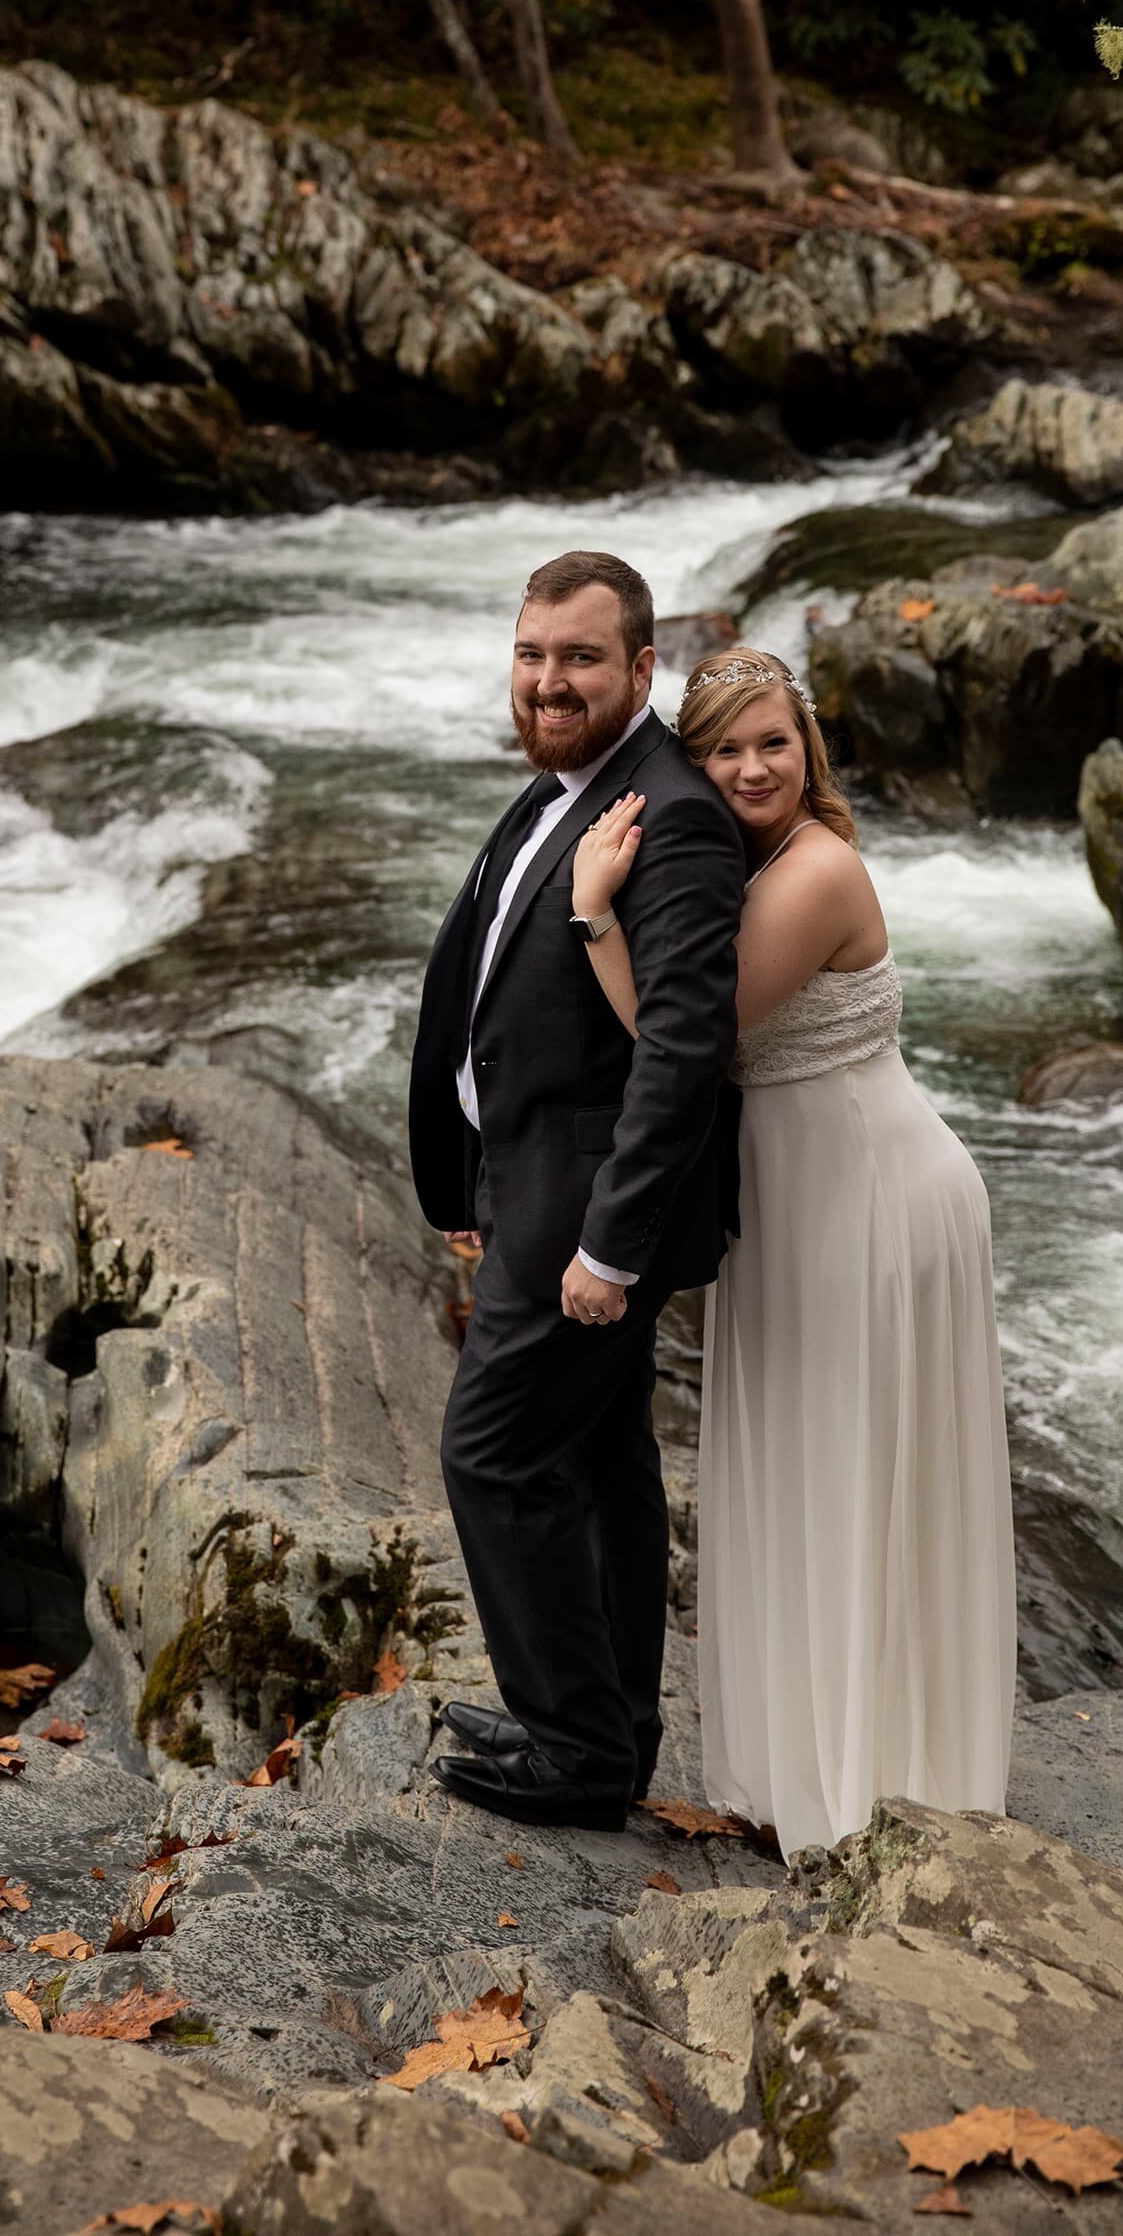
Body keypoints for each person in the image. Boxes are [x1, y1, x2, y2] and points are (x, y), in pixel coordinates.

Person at [568, 647, 1014, 1856]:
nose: (754, 765)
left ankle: (876, 1781)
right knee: (807, 1465)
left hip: (874, 1196)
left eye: (775, 741)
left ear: (807, 748)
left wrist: (593, 909)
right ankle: (806, 1767)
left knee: (857, 1473)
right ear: (694, 762)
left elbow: (682, 1032)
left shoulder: (816, 871)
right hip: (799, 1202)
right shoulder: (745, 861)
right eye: (726, 748)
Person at [407, 550, 746, 1830]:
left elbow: (684, 1051)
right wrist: (470, 1171)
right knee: (598, 1462)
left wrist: (610, 1247)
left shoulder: (674, 814)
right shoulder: (564, 787)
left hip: (593, 1212)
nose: (550, 680)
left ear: (643, 669)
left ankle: (574, 1747)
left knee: (491, 1455)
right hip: (533, 1186)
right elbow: (494, 996)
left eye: (581, 658)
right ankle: (607, 1730)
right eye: (532, 654)